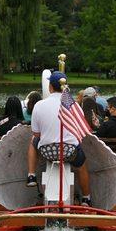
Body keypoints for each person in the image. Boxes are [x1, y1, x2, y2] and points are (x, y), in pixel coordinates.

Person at [26, 71, 91, 206]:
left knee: (33, 141)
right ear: (65, 86)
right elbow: (79, 131)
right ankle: (86, 198)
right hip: (69, 152)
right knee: (81, 164)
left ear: (50, 87)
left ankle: (31, 175)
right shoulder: (74, 106)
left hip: (46, 152)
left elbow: (36, 134)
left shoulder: (39, 105)